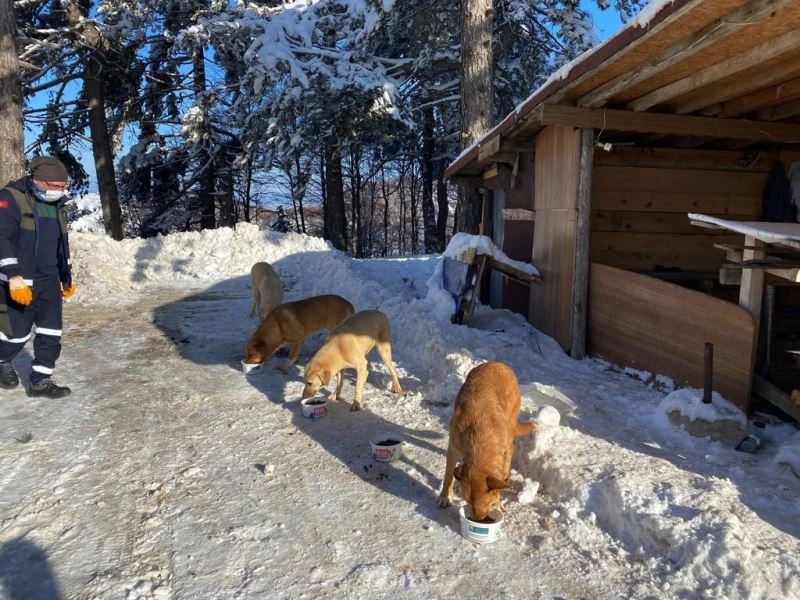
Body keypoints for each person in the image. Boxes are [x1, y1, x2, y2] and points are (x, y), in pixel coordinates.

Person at [0, 156, 75, 398]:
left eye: (63, 186)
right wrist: (14, 277)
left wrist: (66, 276)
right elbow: (1, 238)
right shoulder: (11, 198)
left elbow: (59, 243)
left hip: (49, 281)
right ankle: (2, 360)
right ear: (38, 181)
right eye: (56, 187)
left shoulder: (56, 204)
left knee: (51, 333)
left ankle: (40, 381)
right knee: (16, 334)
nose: (61, 191)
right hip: (20, 283)